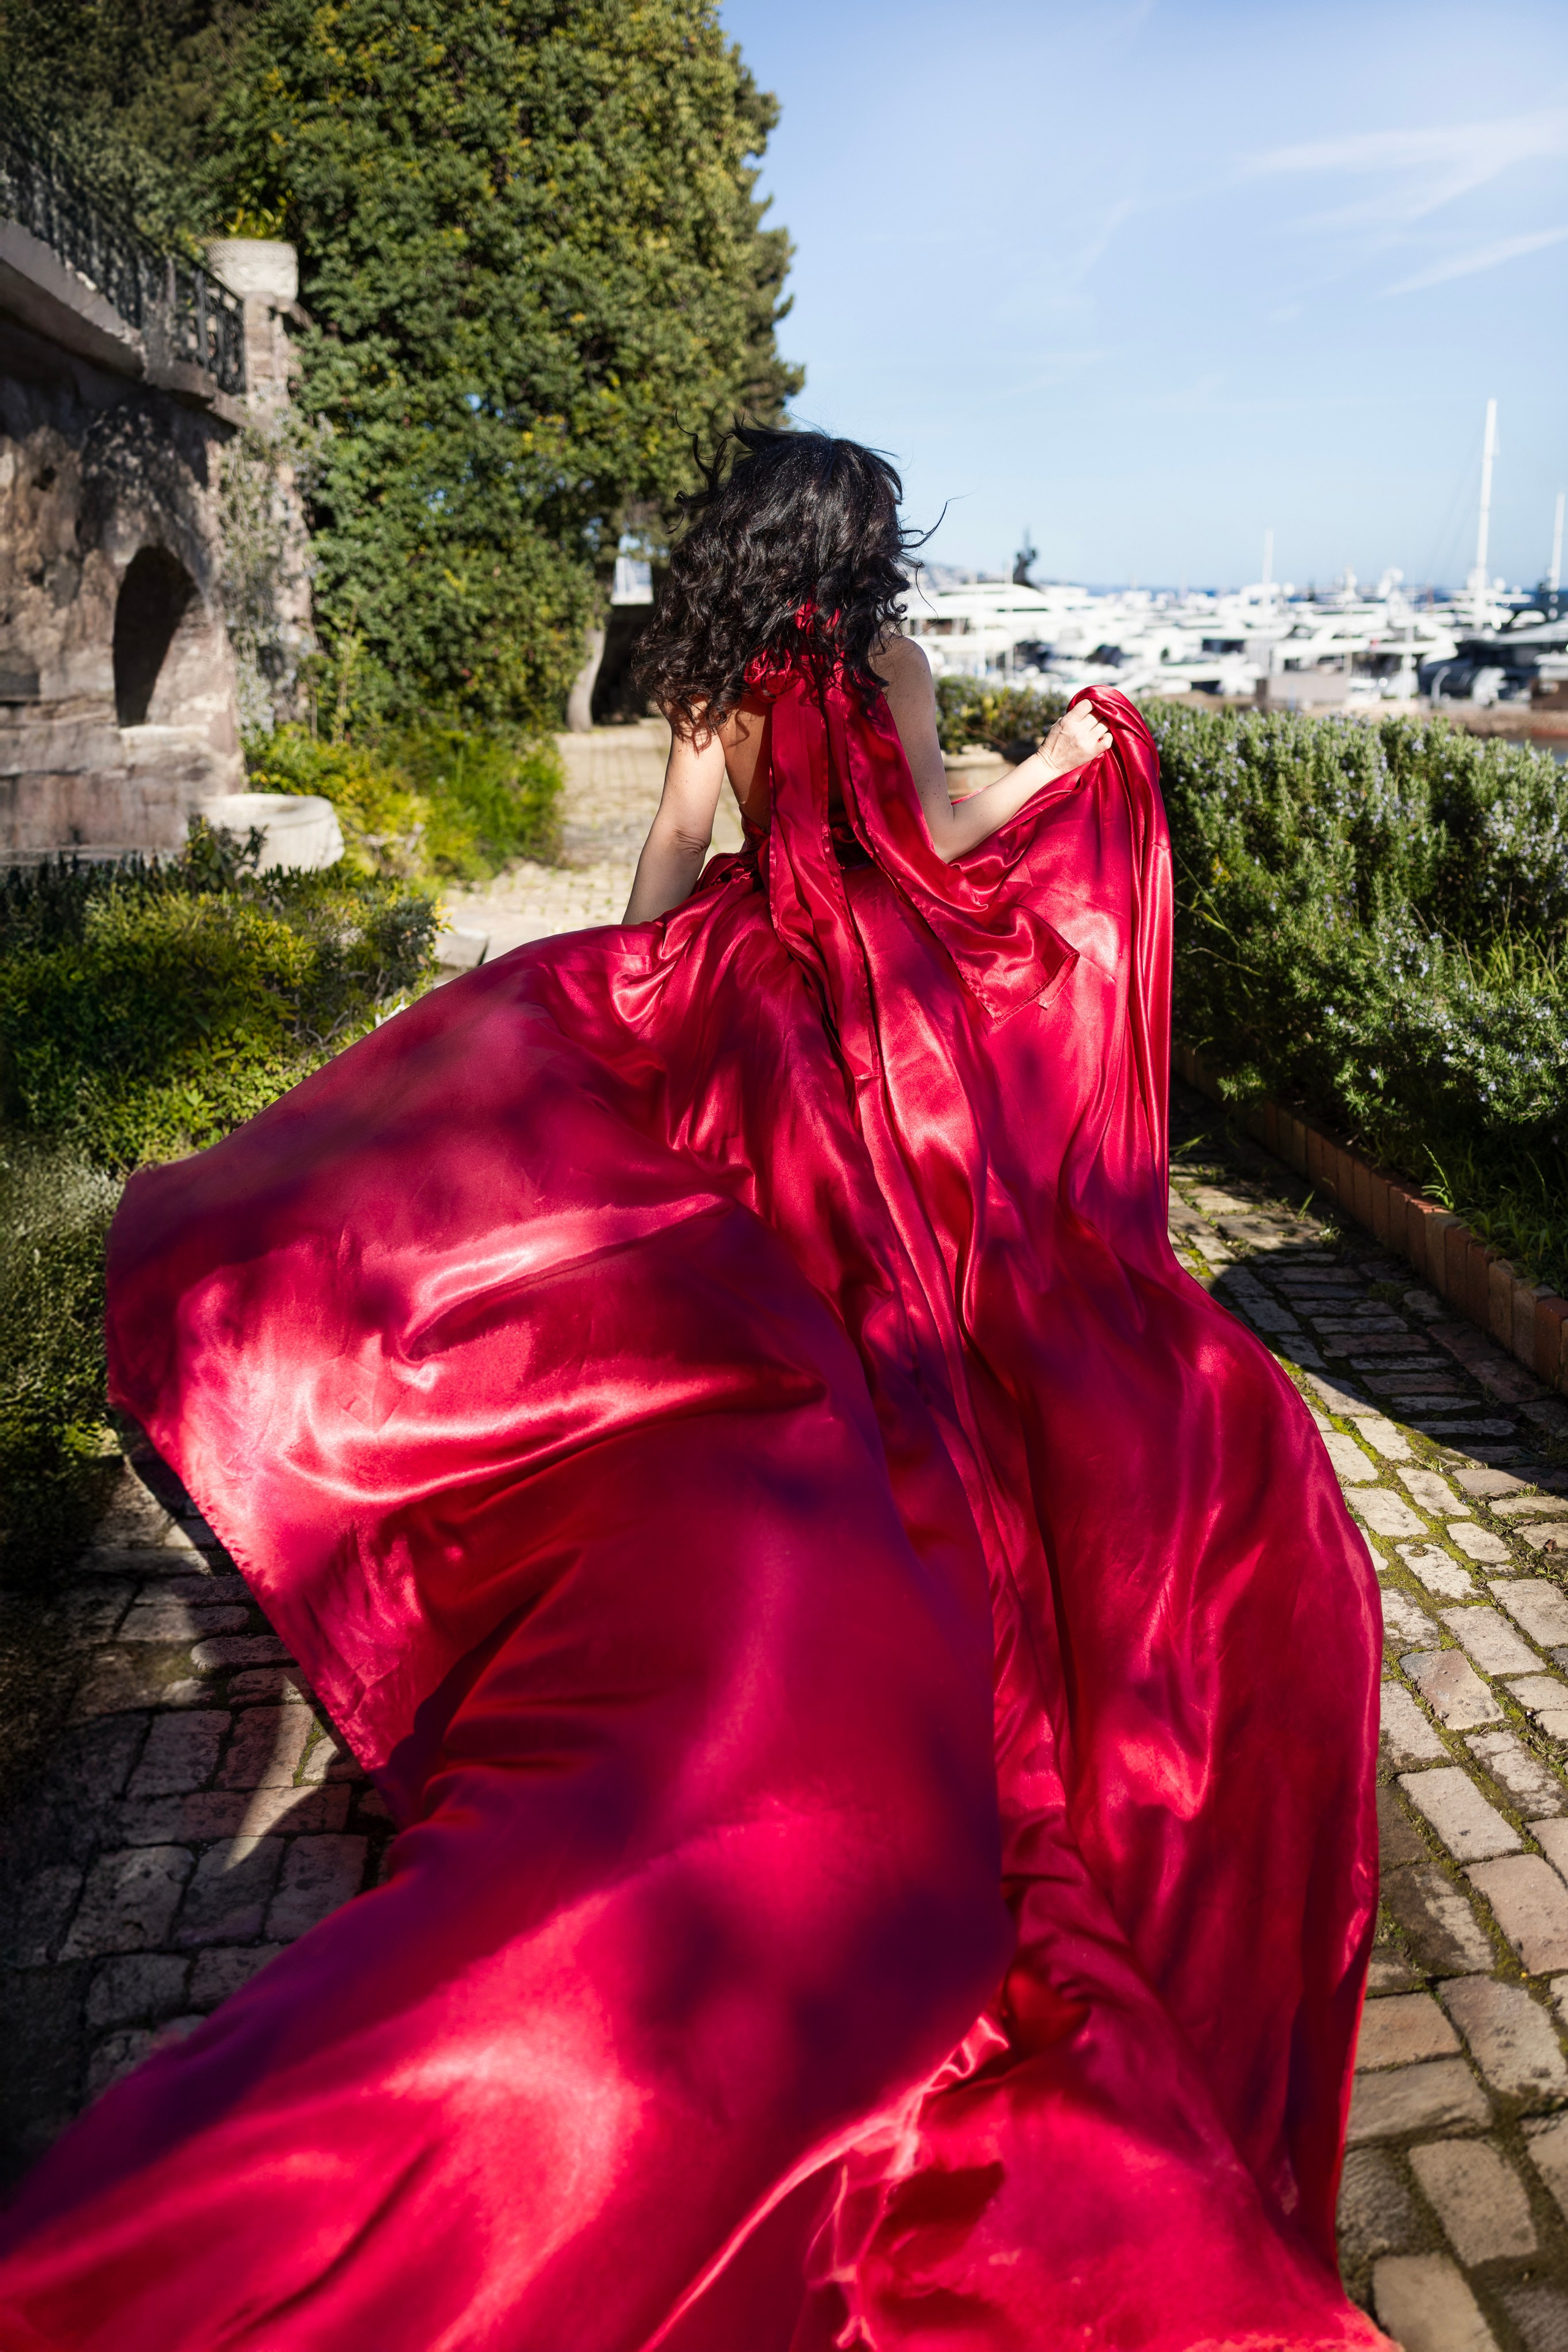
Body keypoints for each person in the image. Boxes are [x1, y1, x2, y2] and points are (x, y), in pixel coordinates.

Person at [0, 426, 1384, 2350]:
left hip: (745, 1023)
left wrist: (625, 1025)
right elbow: (938, 841)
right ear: (862, 549)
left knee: (765, 1349)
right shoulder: (883, 671)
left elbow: (661, 877)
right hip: (887, 1032)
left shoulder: (715, 674)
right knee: (956, 1337)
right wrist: (1077, 767)